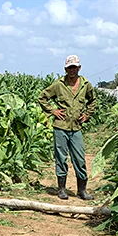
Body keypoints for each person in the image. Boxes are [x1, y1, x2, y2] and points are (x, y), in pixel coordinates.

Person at [38, 55, 96, 201]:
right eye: (69, 67)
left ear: (79, 68)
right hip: (61, 127)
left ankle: (82, 190)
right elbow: (42, 97)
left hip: (76, 128)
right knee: (61, 158)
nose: (72, 70)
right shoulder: (59, 85)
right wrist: (53, 111)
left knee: (79, 159)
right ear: (65, 69)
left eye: (74, 67)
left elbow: (92, 101)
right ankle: (62, 189)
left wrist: (87, 115)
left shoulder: (85, 84)